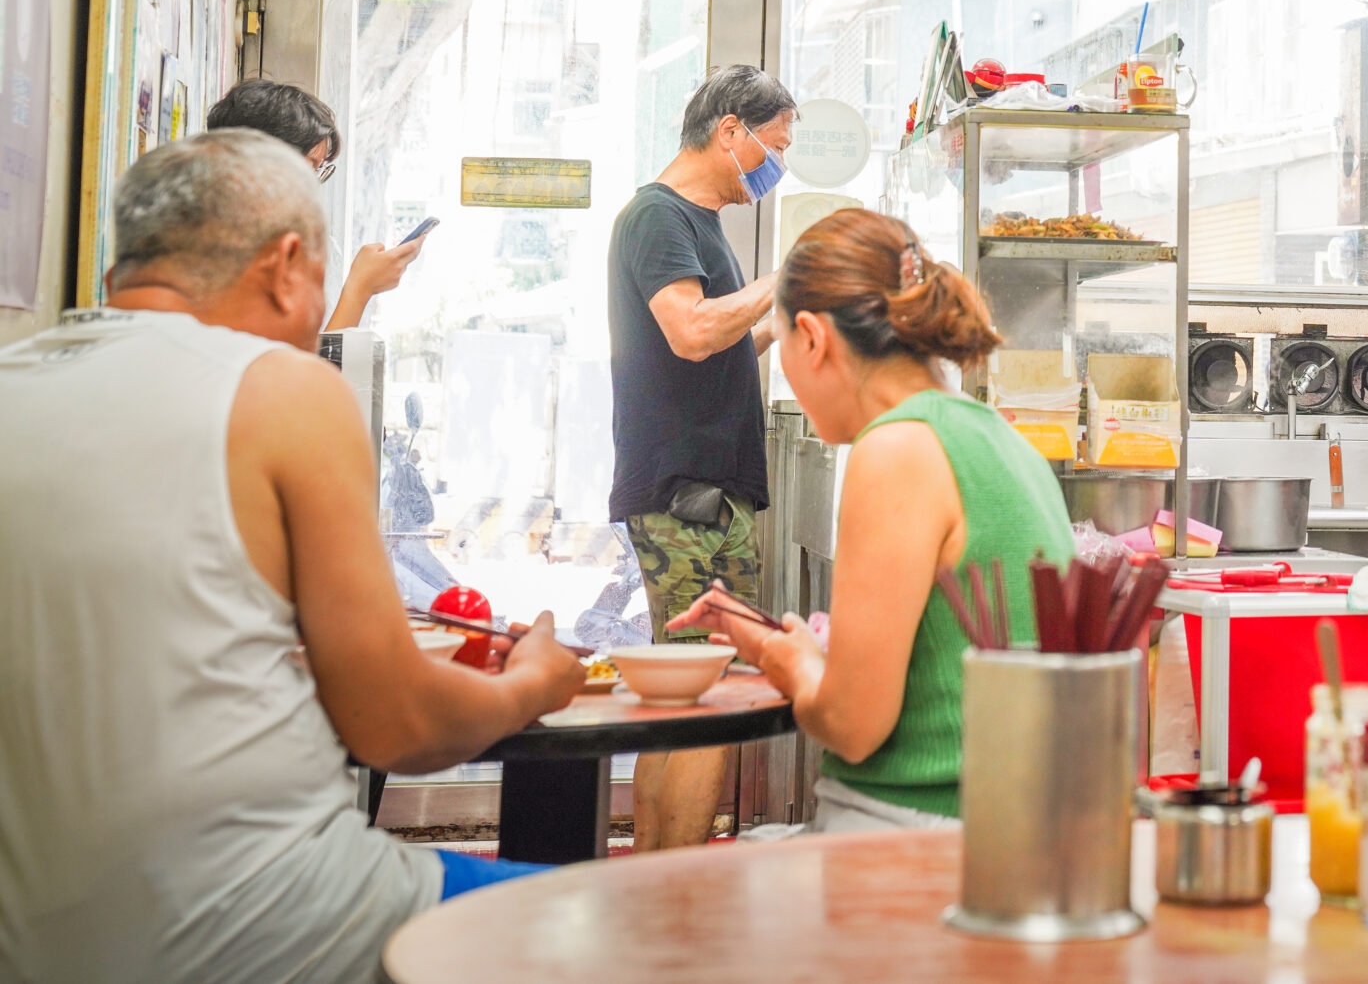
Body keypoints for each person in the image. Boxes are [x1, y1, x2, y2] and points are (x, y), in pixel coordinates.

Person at [0, 132, 585, 984]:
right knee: (631, 925)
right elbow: (398, 726)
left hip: (37, 945)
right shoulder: (285, 386)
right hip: (277, 929)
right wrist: (534, 681)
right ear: (284, 264)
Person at [668, 207, 1074, 829]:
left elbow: (853, 727)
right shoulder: (997, 435)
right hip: (1014, 825)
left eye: (779, 347)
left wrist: (788, 660)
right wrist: (779, 643)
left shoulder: (896, 448)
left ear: (812, 336)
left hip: (916, 832)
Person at [607, 63, 796, 850]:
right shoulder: (658, 217)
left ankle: (656, 876)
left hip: (709, 493)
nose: (774, 167)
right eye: (772, 148)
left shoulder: (699, 222)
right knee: (704, 695)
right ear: (730, 131)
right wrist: (785, 277)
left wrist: (786, 313)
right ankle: (669, 890)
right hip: (685, 497)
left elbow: (716, 350)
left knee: (692, 695)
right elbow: (690, 330)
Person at [205, 77, 422, 329]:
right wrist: (360, 288)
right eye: (308, 167)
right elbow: (289, 367)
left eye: (319, 171)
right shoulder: (220, 253)